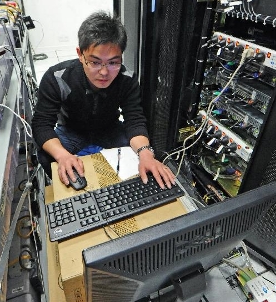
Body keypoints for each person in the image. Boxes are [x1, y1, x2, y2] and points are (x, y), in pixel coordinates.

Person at [31, 11, 175, 189]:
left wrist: (146, 154)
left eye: (113, 62)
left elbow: (135, 120)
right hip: (71, 131)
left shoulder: (127, 79)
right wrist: (62, 155)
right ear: (80, 54)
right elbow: (42, 124)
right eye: (95, 62)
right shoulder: (57, 77)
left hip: (109, 130)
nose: (104, 72)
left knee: (143, 151)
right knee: (46, 156)